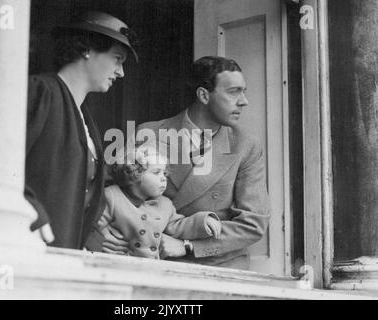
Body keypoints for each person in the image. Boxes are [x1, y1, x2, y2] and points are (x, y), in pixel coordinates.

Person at [135, 56, 270, 269]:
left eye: (244, 92)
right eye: (234, 92)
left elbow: (253, 224)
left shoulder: (246, 146)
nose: (244, 101)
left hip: (220, 265)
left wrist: (188, 245)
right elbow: (121, 200)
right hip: (157, 259)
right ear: (204, 95)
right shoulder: (148, 134)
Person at [25, 11, 139, 249]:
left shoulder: (85, 118)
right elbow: (0, 168)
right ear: (87, 49)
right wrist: (31, 211)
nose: (121, 72)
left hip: (63, 251)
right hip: (28, 243)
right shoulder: (40, 92)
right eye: (117, 59)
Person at [85, 146, 222, 259]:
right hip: (115, 263)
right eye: (156, 173)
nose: (163, 179)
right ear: (134, 174)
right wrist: (105, 238)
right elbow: (93, 223)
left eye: (164, 174)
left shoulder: (165, 204)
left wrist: (203, 221)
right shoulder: (112, 196)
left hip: (152, 268)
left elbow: (177, 225)